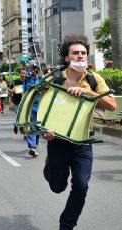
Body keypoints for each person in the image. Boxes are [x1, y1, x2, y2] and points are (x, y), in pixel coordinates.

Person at [42, 33, 116, 230]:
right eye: (75, 53)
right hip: (57, 140)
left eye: (83, 53)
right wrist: (44, 132)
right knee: (57, 186)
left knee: (81, 185)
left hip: (83, 141)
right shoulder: (54, 79)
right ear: (67, 57)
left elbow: (111, 105)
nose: (81, 56)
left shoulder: (94, 79)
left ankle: (66, 225)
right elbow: (40, 111)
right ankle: (50, 168)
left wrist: (89, 93)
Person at [22, 65, 42, 157]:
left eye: (31, 68)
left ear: (36, 69)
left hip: (41, 106)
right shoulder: (26, 79)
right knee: (32, 126)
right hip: (30, 106)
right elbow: (24, 92)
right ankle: (32, 147)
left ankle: (36, 142)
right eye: (28, 69)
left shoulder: (41, 78)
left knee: (38, 126)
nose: (29, 70)